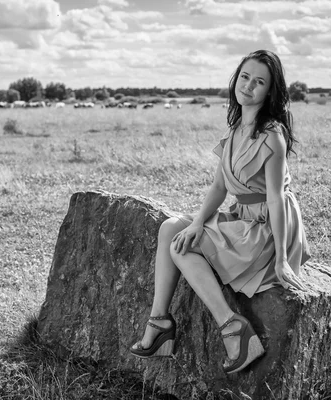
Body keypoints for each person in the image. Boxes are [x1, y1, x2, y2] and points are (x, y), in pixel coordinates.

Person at [129, 49, 311, 374]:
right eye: (244, 77)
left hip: (267, 229)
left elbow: (275, 199)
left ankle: (232, 328)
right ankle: (159, 324)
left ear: (270, 91)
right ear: (236, 78)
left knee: (179, 247)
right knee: (173, 228)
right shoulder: (236, 128)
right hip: (243, 216)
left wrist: (282, 257)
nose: (248, 86)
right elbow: (218, 187)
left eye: (259, 82)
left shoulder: (273, 136)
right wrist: (198, 222)